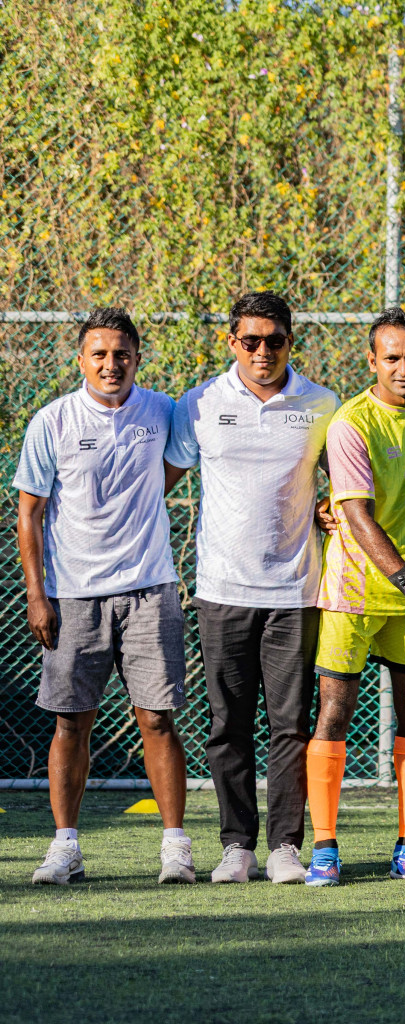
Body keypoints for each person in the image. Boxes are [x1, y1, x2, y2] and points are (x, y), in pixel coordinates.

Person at [163, 292, 339, 884]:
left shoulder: (322, 404)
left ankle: (286, 845)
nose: (264, 352)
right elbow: (158, 481)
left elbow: (344, 485)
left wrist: (326, 509)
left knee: (290, 725)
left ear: (293, 340)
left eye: (276, 340)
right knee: (227, 724)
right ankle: (237, 846)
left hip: (295, 592)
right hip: (221, 591)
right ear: (231, 342)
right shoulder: (200, 404)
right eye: (251, 341)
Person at [18, 308, 196, 885]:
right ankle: (65, 846)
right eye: (99, 354)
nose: (110, 364)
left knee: (159, 720)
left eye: (121, 354)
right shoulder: (53, 420)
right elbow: (29, 514)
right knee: (71, 724)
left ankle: (175, 847)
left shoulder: (163, 411)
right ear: (81, 361)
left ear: (137, 358)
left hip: (150, 589)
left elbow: (168, 472)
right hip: (73, 598)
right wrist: (37, 595)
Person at [305, 308, 405, 886]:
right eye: (392, 357)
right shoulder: (352, 422)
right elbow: (355, 513)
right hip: (354, 592)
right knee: (335, 712)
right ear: (371, 361)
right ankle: (324, 847)